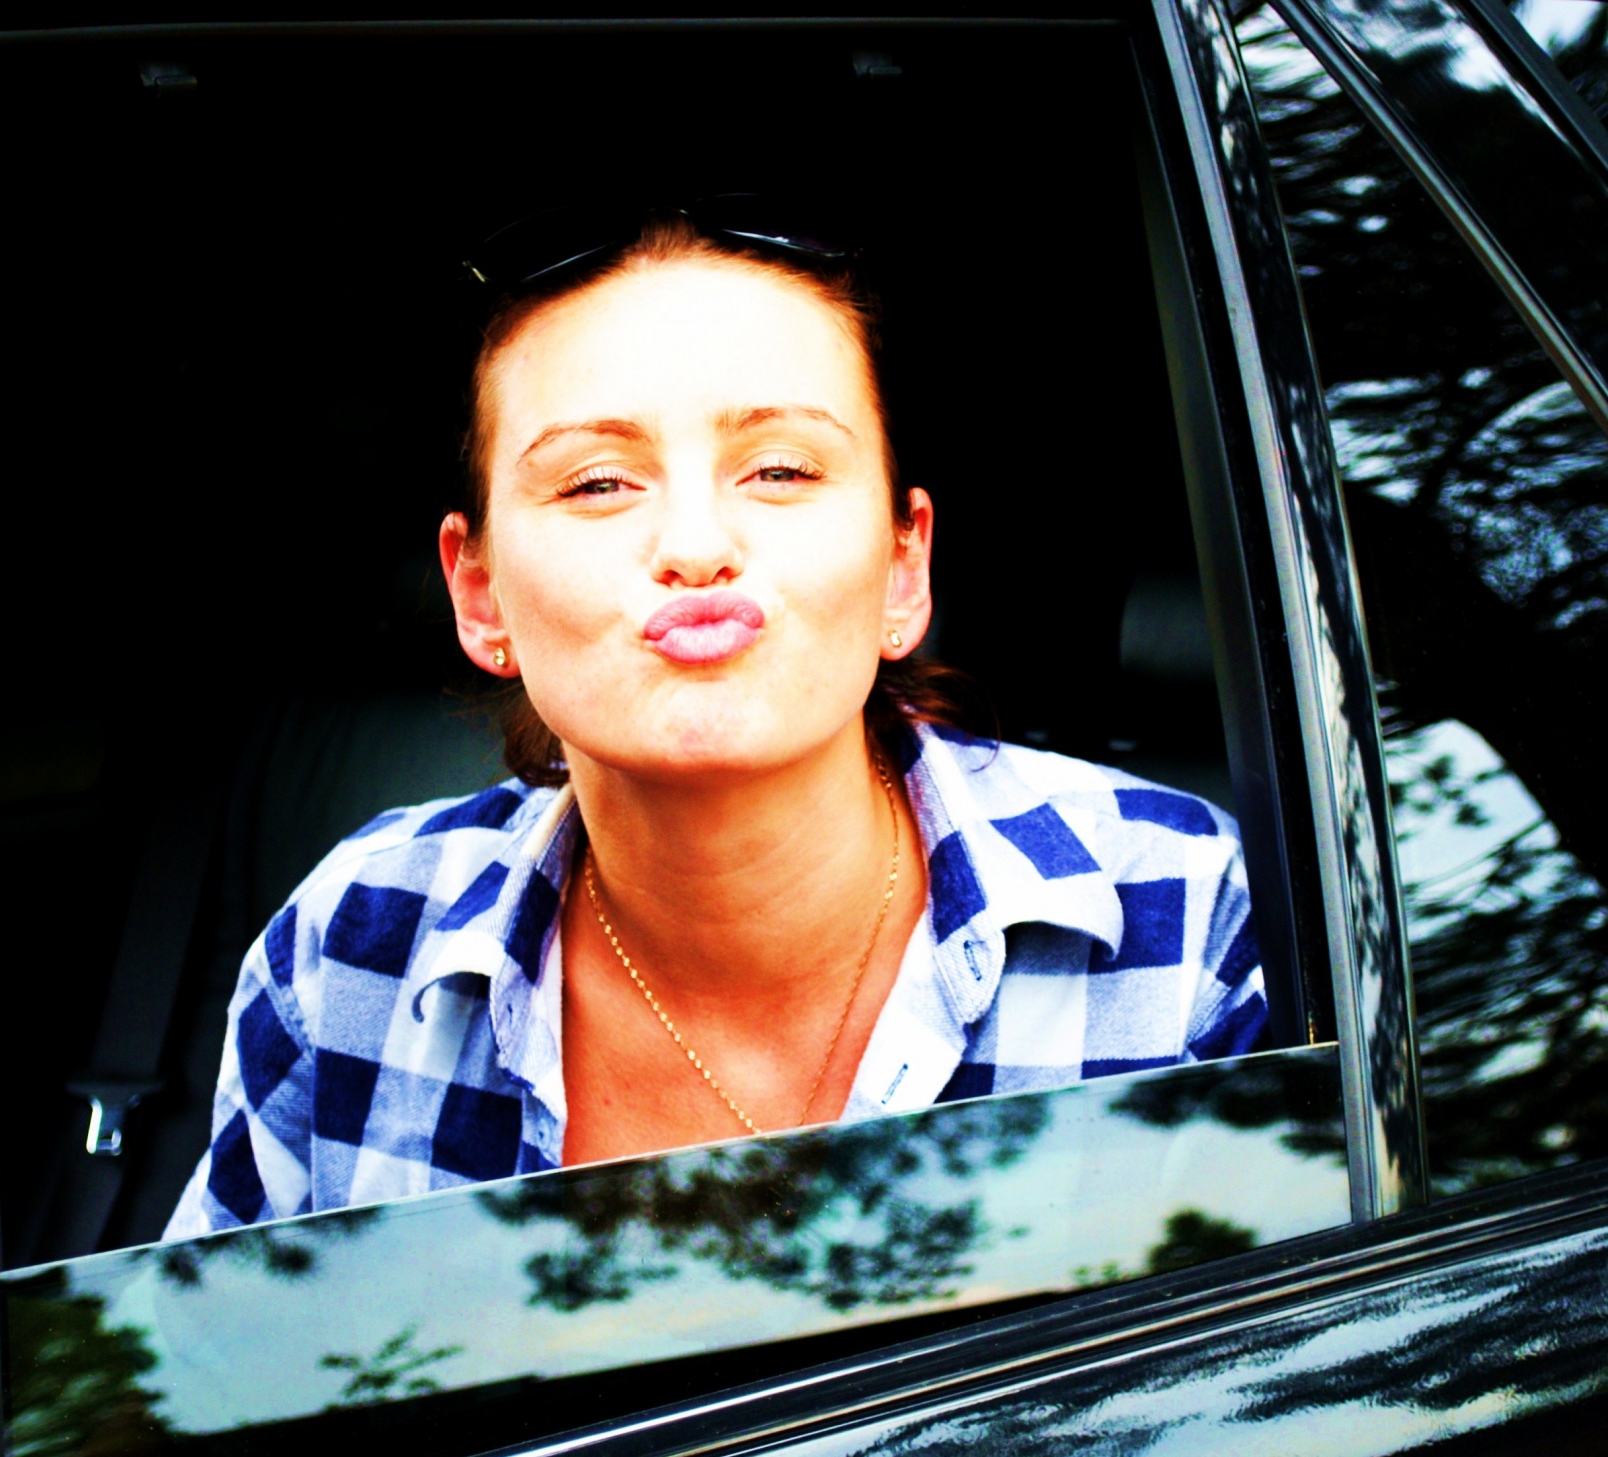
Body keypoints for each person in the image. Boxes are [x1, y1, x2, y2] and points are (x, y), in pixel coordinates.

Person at [164, 203, 1267, 1237]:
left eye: (780, 469)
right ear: (480, 593)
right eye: (598, 483)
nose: (695, 545)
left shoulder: (1185, 928)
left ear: (904, 565)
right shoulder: (352, 949)